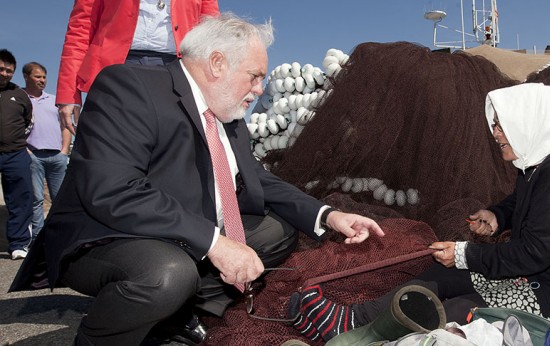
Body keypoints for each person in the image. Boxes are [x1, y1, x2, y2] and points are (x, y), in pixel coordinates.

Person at [10, 13, 384, 346]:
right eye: (254, 76)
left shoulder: (227, 113)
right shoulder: (130, 87)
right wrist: (215, 243)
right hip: (108, 235)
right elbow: (113, 190)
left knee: (277, 231)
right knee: (167, 275)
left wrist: (328, 215)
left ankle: (175, 317)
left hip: (176, 229)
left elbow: (254, 177)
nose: (258, 90)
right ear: (217, 63)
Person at [289, 83, 550, 344]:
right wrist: (497, 215)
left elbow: (531, 255)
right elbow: (524, 202)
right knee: (441, 276)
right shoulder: (544, 163)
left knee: (453, 313)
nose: (495, 134)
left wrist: (465, 253)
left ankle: (366, 338)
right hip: (536, 275)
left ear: (530, 120)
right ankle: (351, 321)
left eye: (501, 125)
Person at [56, 0, 220, 134]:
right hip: (115, 69)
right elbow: (80, 30)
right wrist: (68, 94)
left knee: (172, 151)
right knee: (112, 145)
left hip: (178, 69)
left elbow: (211, 32)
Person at [23, 62, 72, 238]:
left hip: (57, 156)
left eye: (44, 77)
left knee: (60, 200)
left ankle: (60, 237)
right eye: (38, 76)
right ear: (26, 77)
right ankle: (38, 238)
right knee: (36, 200)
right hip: (32, 156)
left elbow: (65, 126)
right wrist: (26, 151)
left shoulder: (55, 100)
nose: (42, 80)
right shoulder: (20, 99)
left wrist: (64, 150)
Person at [0, 49, 33, 260]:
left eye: (9, 71)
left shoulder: (19, 95)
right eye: (1, 69)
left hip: (15, 154)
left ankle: (19, 244)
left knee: (21, 199)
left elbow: (29, 123)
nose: (4, 73)